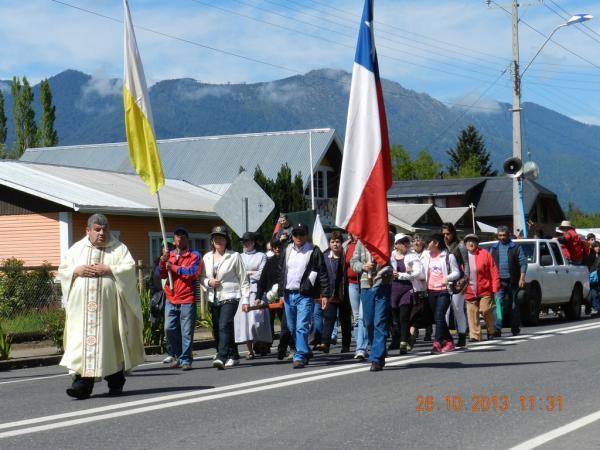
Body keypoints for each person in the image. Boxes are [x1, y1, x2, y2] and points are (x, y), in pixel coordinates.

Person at [58, 213, 144, 399]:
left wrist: (110, 269)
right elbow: (62, 271)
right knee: (82, 344)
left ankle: (115, 381)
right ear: (87, 231)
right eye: (97, 229)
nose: (102, 233)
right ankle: (82, 384)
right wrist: (76, 270)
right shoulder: (76, 250)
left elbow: (129, 269)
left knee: (111, 342)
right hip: (82, 313)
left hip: (110, 311)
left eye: (105, 229)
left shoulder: (119, 249)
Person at [278, 223, 330, 369]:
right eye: (295, 234)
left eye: (301, 234)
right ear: (292, 236)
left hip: (304, 295)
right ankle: (305, 350)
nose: (298, 237)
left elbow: (322, 273)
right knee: (292, 326)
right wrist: (280, 292)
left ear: (306, 235)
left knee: (301, 326)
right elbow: (281, 271)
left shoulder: (313, 250)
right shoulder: (287, 249)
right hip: (288, 294)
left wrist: (325, 294)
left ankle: (299, 355)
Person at [201, 225, 249, 369]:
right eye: (215, 238)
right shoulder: (207, 257)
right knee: (218, 328)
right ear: (212, 241)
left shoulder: (234, 256)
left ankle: (221, 356)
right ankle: (233, 354)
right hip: (213, 297)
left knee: (224, 325)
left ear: (226, 240)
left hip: (231, 296)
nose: (218, 241)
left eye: (221, 238)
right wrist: (208, 282)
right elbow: (201, 277)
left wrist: (245, 299)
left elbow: (244, 279)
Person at [160, 228, 202, 371]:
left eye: (182, 239)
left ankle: (186, 359)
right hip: (171, 297)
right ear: (174, 240)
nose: (179, 242)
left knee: (186, 332)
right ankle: (177, 355)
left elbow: (193, 273)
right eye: (177, 239)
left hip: (187, 299)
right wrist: (163, 262)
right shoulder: (169, 255)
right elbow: (162, 274)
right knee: (169, 328)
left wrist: (174, 267)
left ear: (186, 240)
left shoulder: (194, 255)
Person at [350, 239, 393, 372]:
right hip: (365, 285)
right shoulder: (360, 242)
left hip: (382, 284)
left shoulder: (387, 237)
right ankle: (378, 348)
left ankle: (377, 358)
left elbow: (392, 259)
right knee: (368, 322)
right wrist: (363, 267)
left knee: (379, 321)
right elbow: (353, 262)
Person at [421, 233, 460, 354]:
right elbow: (421, 271)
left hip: (444, 291)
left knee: (439, 316)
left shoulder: (448, 256)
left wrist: (447, 278)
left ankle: (437, 343)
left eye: (429, 242)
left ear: (436, 243)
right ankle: (449, 341)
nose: (427, 245)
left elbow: (457, 273)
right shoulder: (425, 256)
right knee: (438, 318)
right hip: (430, 291)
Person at [257, 238, 294, 360]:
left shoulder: (287, 261)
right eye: (275, 246)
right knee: (268, 323)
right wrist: (258, 296)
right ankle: (266, 346)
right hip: (271, 297)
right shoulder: (269, 262)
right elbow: (262, 280)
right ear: (272, 248)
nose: (277, 248)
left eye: (279, 246)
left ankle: (290, 347)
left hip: (284, 297)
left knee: (286, 324)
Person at [235, 232, 270, 359]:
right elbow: (237, 275)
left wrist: (246, 274)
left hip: (256, 291)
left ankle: (258, 343)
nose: (245, 244)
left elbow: (261, 274)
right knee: (245, 322)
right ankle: (249, 350)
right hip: (243, 292)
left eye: (248, 241)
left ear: (253, 242)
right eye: (243, 241)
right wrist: (250, 273)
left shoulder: (261, 256)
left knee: (256, 321)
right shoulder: (238, 256)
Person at [488, 225, 527, 337]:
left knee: (514, 305)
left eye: (504, 235)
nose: (502, 237)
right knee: (499, 305)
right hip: (499, 282)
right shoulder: (494, 248)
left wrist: (522, 278)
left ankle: (515, 328)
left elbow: (523, 263)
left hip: (513, 281)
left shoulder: (516, 247)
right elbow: (489, 265)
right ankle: (497, 329)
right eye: (500, 235)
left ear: (508, 235)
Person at [390, 233, 424, 354]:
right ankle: (406, 338)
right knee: (395, 318)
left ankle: (403, 342)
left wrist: (401, 275)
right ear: (396, 245)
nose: (406, 244)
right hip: (393, 290)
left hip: (407, 289)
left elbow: (418, 272)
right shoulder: (391, 256)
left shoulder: (412, 256)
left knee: (404, 316)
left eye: (407, 242)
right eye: (402, 242)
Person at [463, 234, 500, 342]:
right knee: (472, 313)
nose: (471, 243)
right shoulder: (462, 256)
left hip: (485, 289)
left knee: (486, 310)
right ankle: (475, 335)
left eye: (473, 241)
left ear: (477, 244)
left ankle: (491, 330)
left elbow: (494, 271)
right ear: (465, 244)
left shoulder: (485, 254)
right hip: (469, 290)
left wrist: (495, 287)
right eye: (468, 241)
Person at [321, 231, 352, 354]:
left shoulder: (345, 256)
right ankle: (325, 343)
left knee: (345, 320)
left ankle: (346, 345)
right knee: (329, 318)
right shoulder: (325, 257)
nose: (335, 244)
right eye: (332, 242)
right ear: (329, 244)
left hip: (344, 293)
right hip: (330, 293)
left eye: (338, 242)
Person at [441, 223, 469, 348]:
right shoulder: (440, 246)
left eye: (448, 233)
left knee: (458, 309)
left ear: (453, 233)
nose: (446, 236)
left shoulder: (460, 245)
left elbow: (467, 264)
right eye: (444, 234)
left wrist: (466, 281)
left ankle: (462, 335)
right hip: (443, 281)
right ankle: (445, 338)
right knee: (444, 311)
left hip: (458, 281)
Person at [343, 232, 368, 359]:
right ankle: (360, 347)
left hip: (366, 283)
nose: (356, 234)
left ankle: (362, 346)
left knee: (364, 316)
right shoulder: (346, 246)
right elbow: (350, 263)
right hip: (352, 284)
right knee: (357, 317)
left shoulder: (366, 242)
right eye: (353, 232)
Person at [410, 234, 433, 342]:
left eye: (418, 241)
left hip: (427, 284)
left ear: (423, 242)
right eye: (414, 241)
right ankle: (415, 332)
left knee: (426, 309)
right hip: (414, 285)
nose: (416, 243)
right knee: (415, 309)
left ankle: (428, 331)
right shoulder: (410, 254)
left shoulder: (428, 253)